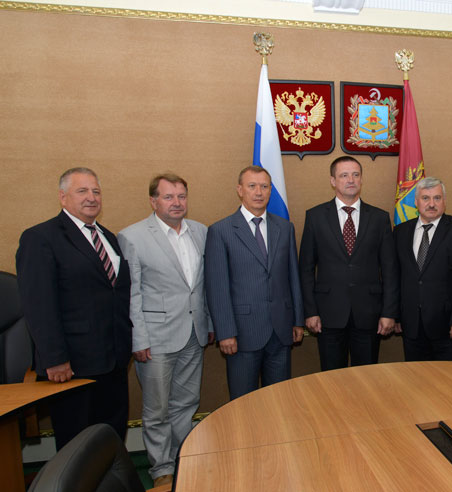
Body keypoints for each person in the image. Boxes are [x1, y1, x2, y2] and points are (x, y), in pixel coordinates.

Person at [16, 167, 132, 449]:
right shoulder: (41, 237)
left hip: (114, 360)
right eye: (82, 191)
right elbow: (38, 304)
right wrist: (54, 358)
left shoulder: (108, 237)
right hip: (73, 365)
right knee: (77, 447)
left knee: (111, 437)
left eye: (96, 191)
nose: (91, 197)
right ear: (62, 196)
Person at [117, 173, 213, 487]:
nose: (176, 203)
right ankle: (161, 470)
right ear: (153, 201)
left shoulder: (200, 231)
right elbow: (132, 293)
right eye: (168, 196)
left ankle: (182, 459)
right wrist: (138, 338)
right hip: (155, 339)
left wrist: (210, 323)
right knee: (157, 409)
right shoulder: (132, 237)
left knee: (186, 403)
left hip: (194, 333)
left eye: (181, 196)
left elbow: (204, 286)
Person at [204, 166, 304, 400]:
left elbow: (293, 276)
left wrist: (297, 320)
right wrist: (225, 332)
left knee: (280, 399)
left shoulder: (285, 228)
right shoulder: (221, 231)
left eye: (264, 186)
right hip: (242, 334)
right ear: (240, 190)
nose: (259, 192)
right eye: (252, 186)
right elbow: (217, 287)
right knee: (243, 401)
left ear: (270, 191)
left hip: (281, 331)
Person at [299, 156, 399, 370]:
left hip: (369, 314)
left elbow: (390, 270)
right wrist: (310, 311)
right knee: (332, 378)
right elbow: (305, 269)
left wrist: (389, 312)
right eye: (344, 175)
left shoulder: (380, 218)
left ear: (361, 179)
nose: (350, 180)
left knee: (367, 376)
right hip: (328, 314)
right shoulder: (315, 217)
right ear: (333, 181)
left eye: (355, 175)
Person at [393, 177, 452, 361]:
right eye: (425, 198)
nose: (431, 204)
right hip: (412, 326)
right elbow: (397, 277)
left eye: (437, 198)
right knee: (414, 377)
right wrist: (397, 315)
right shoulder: (400, 232)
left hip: (448, 327)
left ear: (444, 201)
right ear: (416, 202)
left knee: (449, 378)